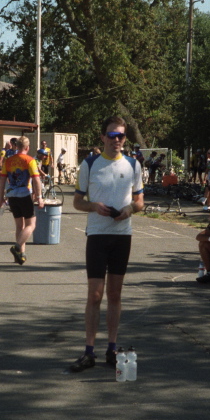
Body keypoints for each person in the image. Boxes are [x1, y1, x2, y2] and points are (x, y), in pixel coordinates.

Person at [68, 116, 144, 372]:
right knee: (95, 295)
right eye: (112, 136)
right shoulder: (89, 164)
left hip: (122, 235)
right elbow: (77, 202)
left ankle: (112, 348)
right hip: (98, 235)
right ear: (102, 137)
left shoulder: (133, 165)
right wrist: (93, 206)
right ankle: (89, 351)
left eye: (121, 136)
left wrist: (129, 209)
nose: (117, 140)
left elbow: (140, 202)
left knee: (115, 294)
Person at [0, 136, 44, 265]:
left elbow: (2, 181)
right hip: (24, 194)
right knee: (31, 225)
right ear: (27, 148)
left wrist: (1, 198)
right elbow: (36, 179)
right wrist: (39, 197)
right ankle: (17, 246)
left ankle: (20, 255)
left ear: (16, 146)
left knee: (19, 225)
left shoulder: (8, 161)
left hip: (12, 195)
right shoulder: (30, 160)